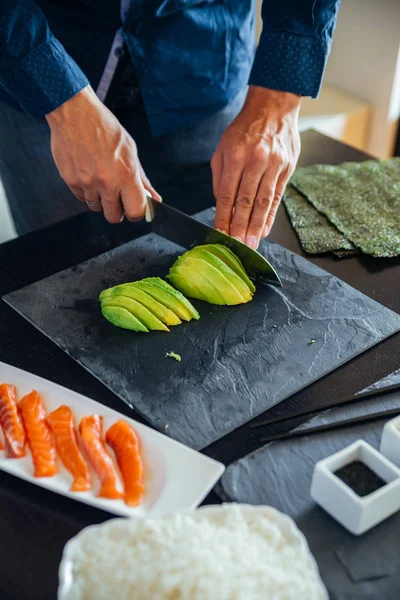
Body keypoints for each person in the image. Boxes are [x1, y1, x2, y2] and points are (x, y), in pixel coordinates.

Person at [0, 1, 340, 248]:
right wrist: (61, 99)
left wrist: (277, 102)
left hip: (207, 64)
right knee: (54, 272)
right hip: (33, 61)